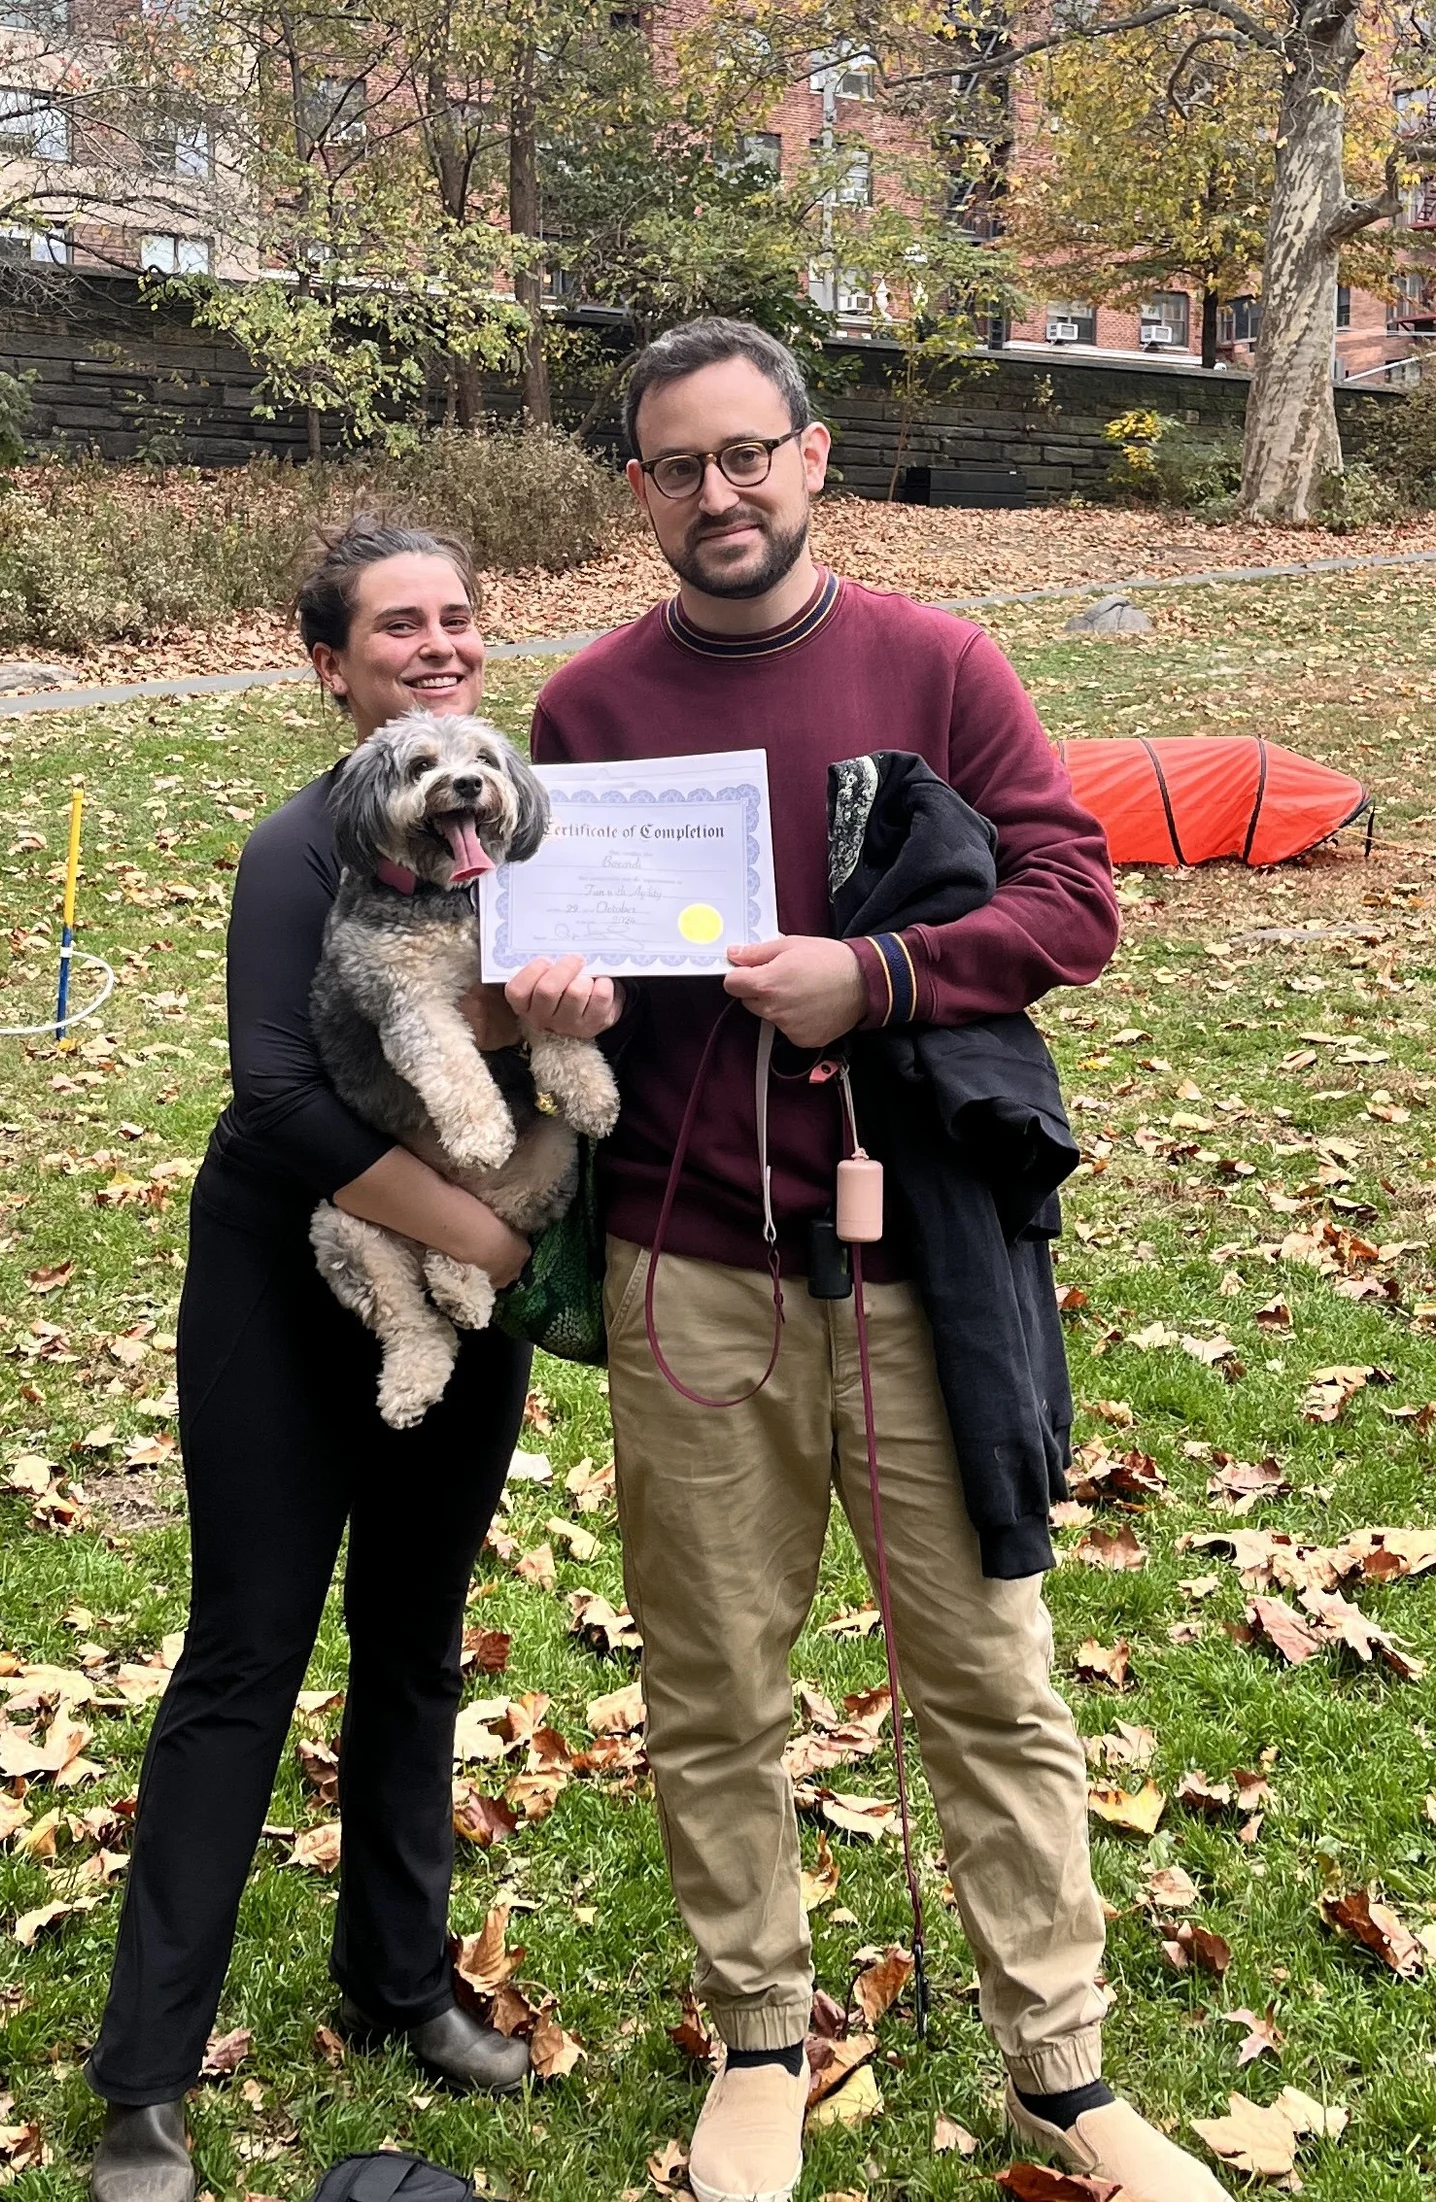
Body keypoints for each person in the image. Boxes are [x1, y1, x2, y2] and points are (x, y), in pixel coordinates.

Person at [505, 320, 1231, 2202]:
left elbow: (1073, 892)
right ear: (642, 489)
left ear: (816, 458)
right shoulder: (585, 710)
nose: (720, 492)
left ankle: (1061, 2075)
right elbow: (539, 978)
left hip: (915, 1263)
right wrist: (547, 1007)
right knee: (713, 1677)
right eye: (680, 465)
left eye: (751, 453)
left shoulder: (937, 663)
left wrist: (881, 976)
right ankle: (760, 2035)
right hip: (689, 1270)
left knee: (989, 1670)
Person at [86, 522, 535, 2202]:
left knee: (416, 1644)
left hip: (455, 1287)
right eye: (395, 628)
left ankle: (399, 1980)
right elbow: (280, 1097)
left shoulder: (507, 834)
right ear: (330, 667)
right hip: (286, 1283)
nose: (436, 646)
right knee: (246, 1656)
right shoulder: (297, 852)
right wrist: (491, 1237)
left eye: (457, 621)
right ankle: (146, 2080)